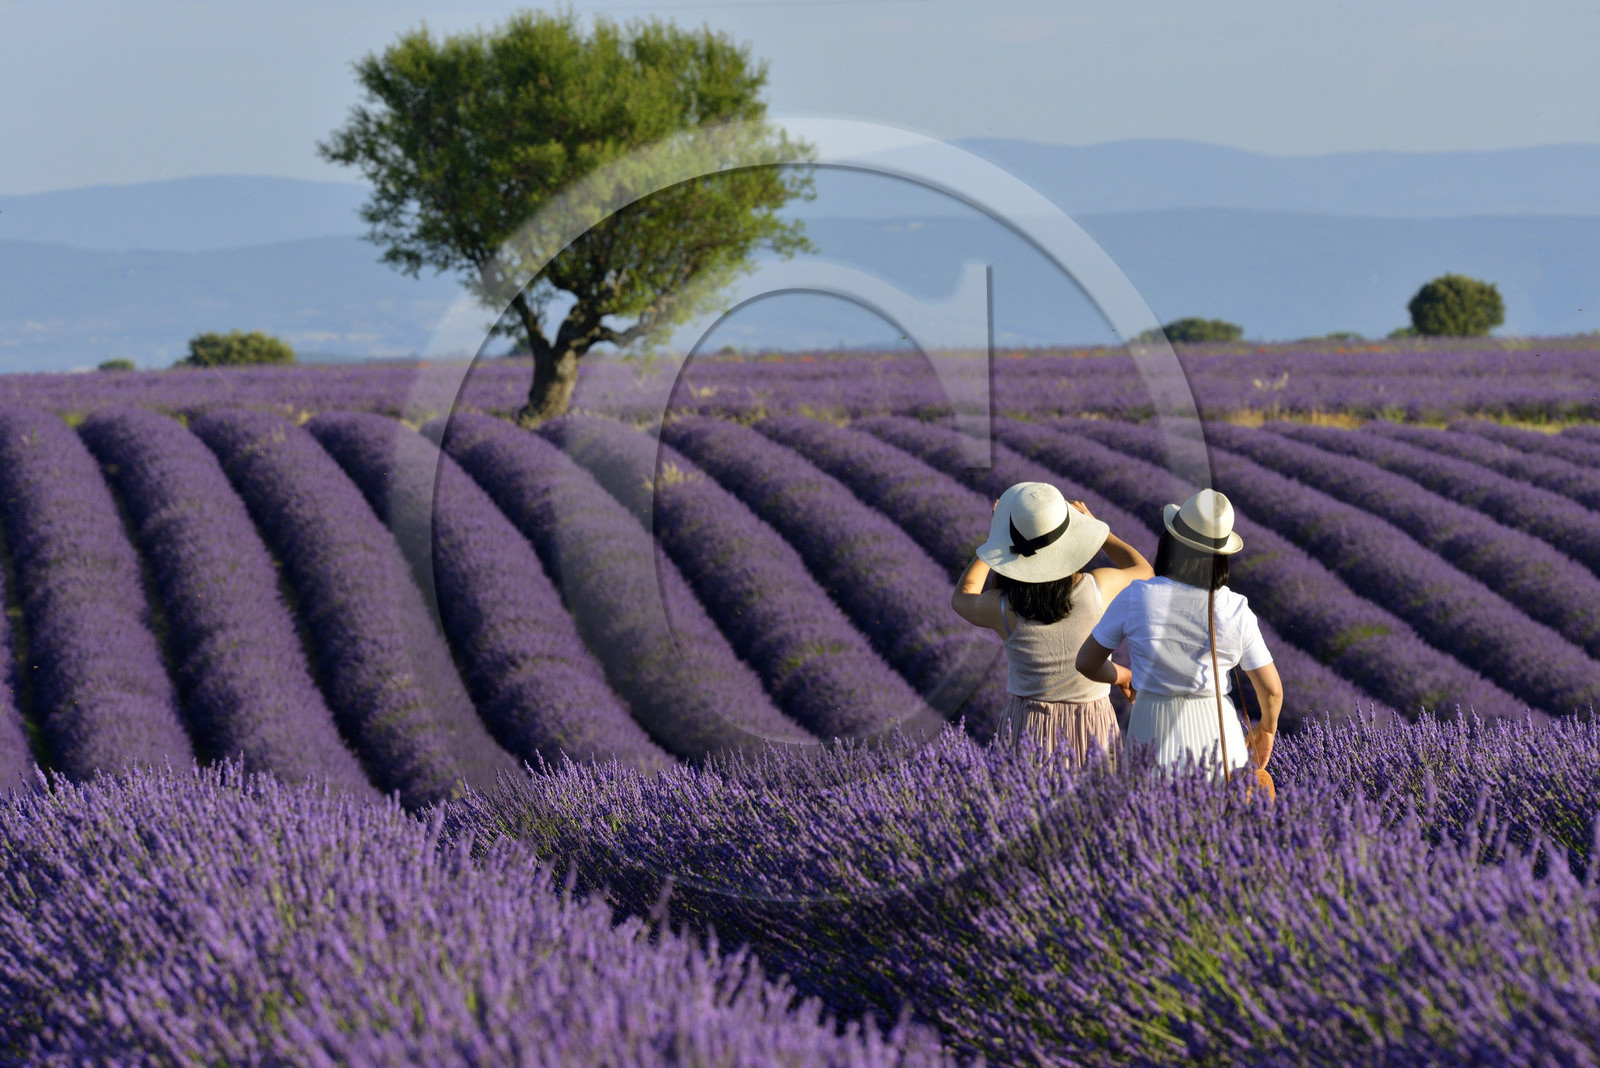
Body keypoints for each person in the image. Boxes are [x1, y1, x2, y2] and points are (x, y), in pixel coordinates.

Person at [1075, 488, 1282, 779]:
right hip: (1219, 734)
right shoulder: (1235, 608)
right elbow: (1271, 690)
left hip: (1153, 728)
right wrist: (1267, 729)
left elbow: (1086, 662)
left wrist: (1122, 676)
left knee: (1157, 819)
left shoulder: (1136, 597)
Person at [951, 481, 1152, 764]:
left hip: (1028, 728)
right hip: (1092, 726)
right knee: (1092, 807)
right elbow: (1144, 570)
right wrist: (1099, 529)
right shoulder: (1098, 588)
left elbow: (963, 596)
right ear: (1071, 539)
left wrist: (992, 544)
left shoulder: (1003, 606)